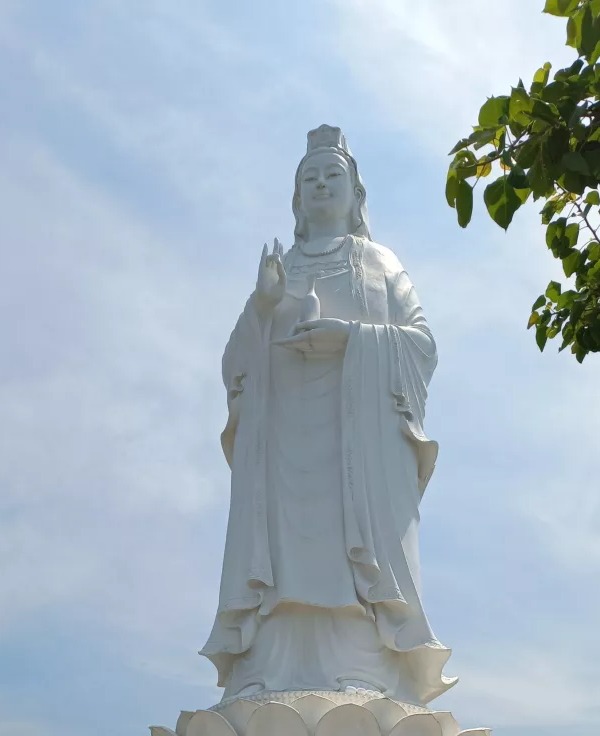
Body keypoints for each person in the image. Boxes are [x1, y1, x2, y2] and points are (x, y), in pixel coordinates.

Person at [200, 125, 456, 706]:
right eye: (309, 178)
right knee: (280, 551)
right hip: (284, 437)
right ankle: (266, 664)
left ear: (355, 193)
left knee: (350, 546)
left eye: (331, 175)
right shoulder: (278, 267)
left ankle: (363, 664)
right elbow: (235, 365)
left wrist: (350, 339)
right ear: (296, 200)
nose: (320, 185)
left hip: (356, 439)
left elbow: (422, 344)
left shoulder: (380, 262)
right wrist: (263, 307)